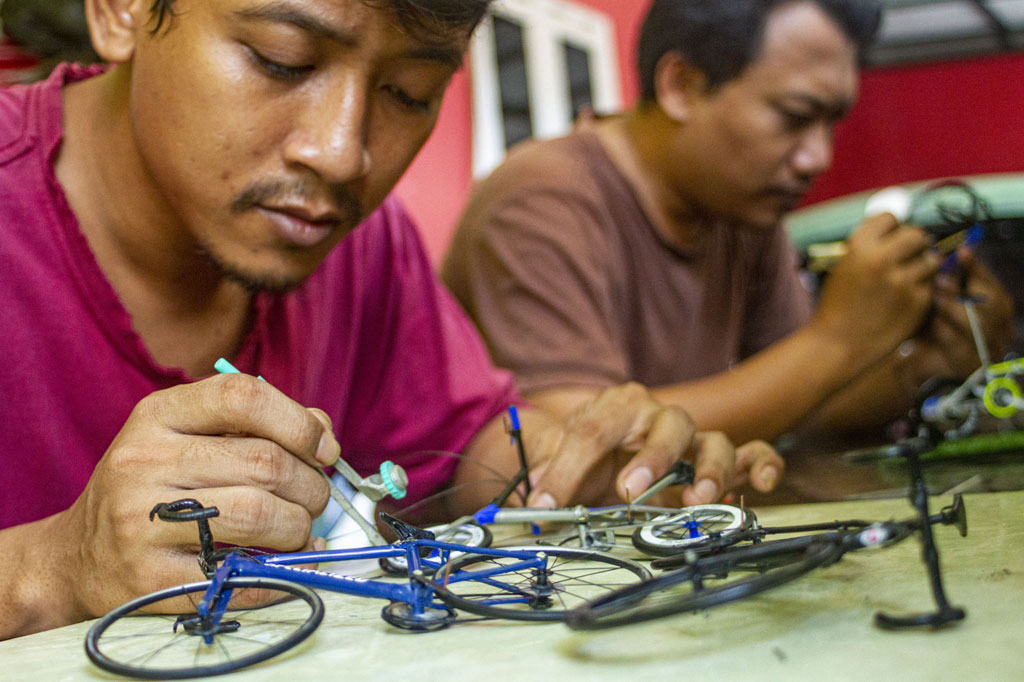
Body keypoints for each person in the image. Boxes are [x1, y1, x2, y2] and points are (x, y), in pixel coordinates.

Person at [0, 0, 785, 639]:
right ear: (121, 9)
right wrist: (55, 567)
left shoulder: (355, 243)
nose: (343, 155)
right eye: (283, 59)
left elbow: (463, 457)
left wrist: (580, 476)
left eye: (409, 93)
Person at [443, 0, 1012, 447]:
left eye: (831, 123)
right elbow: (582, 444)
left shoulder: (739, 209)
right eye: (794, 117)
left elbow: (800, 402)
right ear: (681, 86)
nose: (818, 157)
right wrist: (838, 338)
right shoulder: (543, 199)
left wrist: (930, 361)